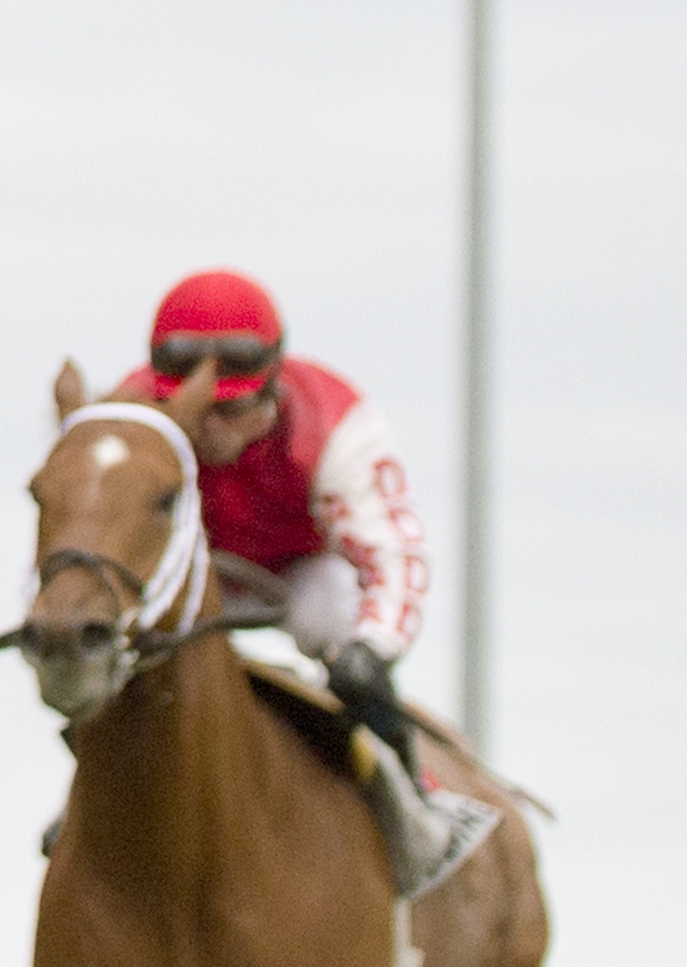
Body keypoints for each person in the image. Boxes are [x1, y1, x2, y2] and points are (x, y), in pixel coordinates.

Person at [105, 269, 482, 893]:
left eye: (230, 408)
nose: (211, 430)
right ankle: (91, 804)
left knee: (330, 618)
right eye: (193, 409)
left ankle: (409, 796)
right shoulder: (131, 412)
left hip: (298, 576)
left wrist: (372, 647)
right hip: (196, 576)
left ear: (274, 383)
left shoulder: (334, 420)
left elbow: (391, 554)